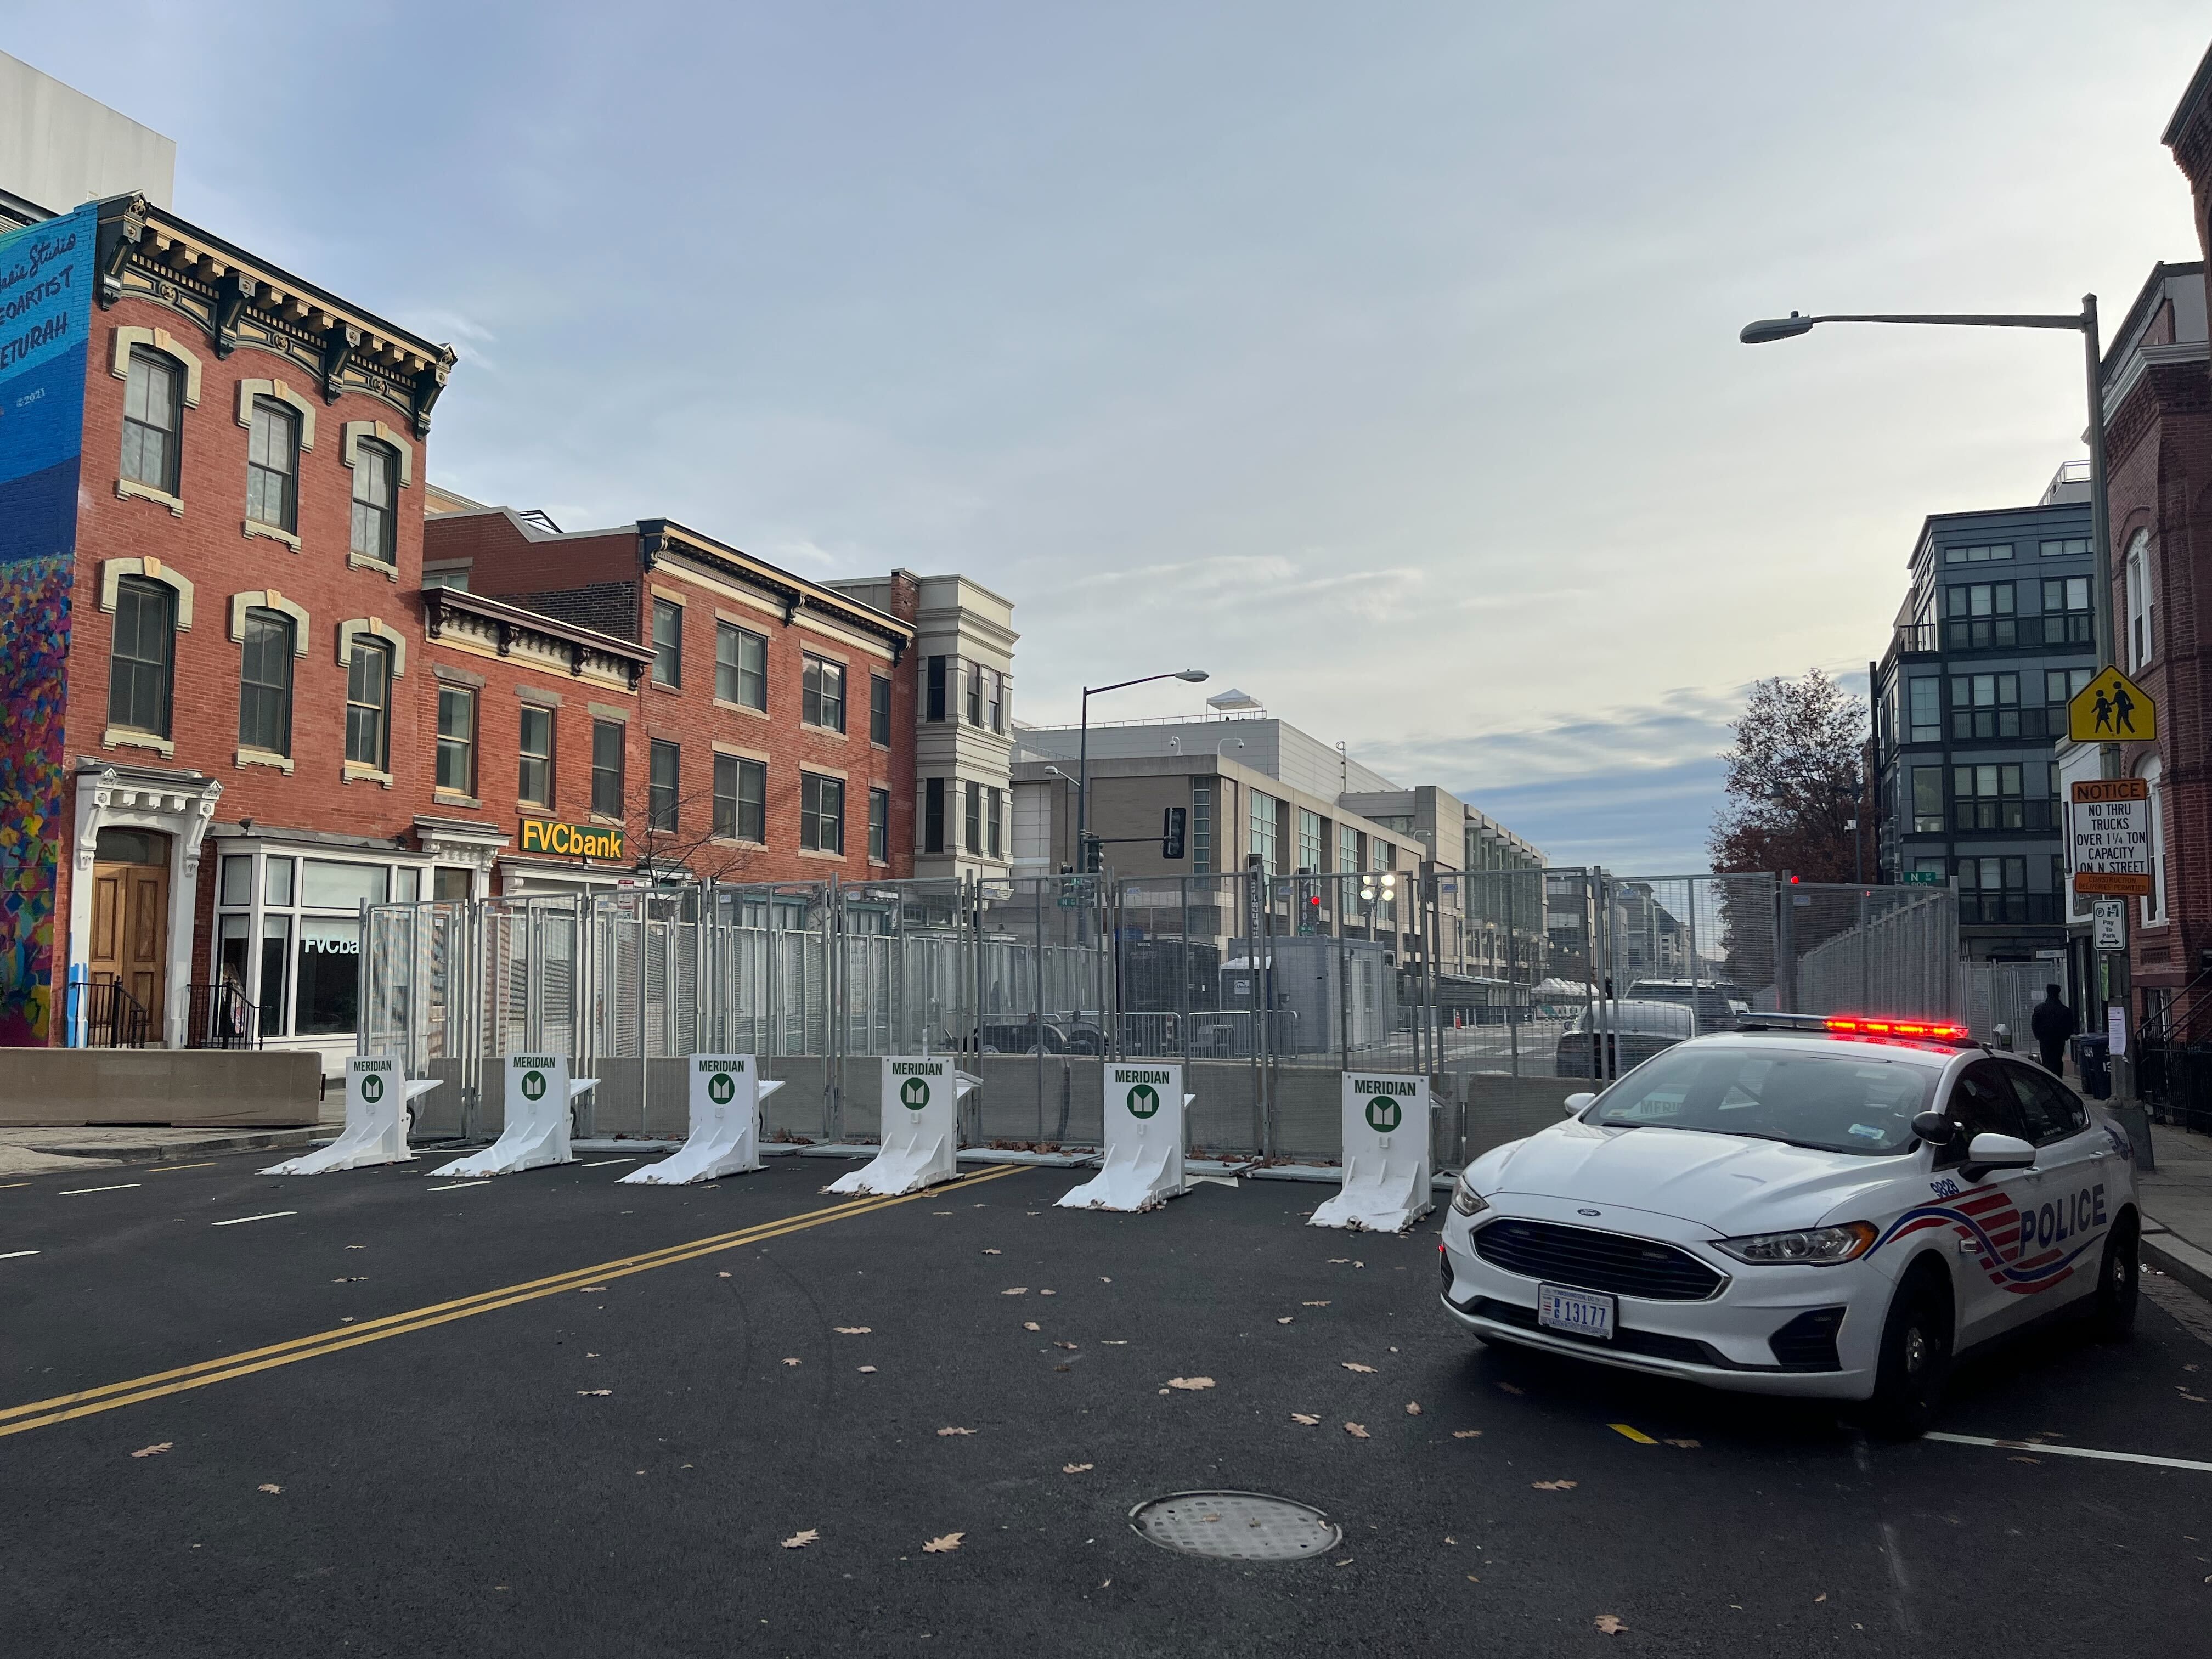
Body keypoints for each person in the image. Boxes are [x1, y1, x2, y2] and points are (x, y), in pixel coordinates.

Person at [2030, 984, 2077, 1075]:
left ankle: (2048, 1079)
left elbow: (2034, 1025)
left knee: (2047, 1061)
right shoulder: (2064, 1010)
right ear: (2059, 993)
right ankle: (2058, 1080)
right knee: (2057, 1061)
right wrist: (2065, 1036)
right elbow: (2070, 1026)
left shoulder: (2040, 1009)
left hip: (2045, 1040)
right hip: (2059, 1040)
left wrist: (2039, 1036)